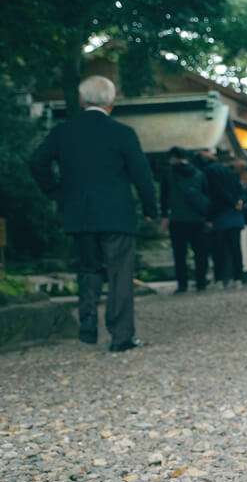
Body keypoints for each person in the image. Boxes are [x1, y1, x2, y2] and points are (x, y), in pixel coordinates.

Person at [29, 75, 157, 352]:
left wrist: (57, 192)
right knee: (119, 274)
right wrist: (151, 210)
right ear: (111, 101)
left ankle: (87, 327)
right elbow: (142, 177)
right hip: (117, 215)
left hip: (80, 214)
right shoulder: (122, 133)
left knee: (87, 270)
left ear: (82, 100)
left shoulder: (64, 132)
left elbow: (37, 162)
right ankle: (120, 336)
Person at [160, 146, 209, 293]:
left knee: (180, 254)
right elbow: (206, 196)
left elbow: (163, 197)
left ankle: (183, 284)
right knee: (200, 252)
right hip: (197, 219)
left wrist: (164, 216)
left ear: (173, 158)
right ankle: (201, 282)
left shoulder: (169, 174)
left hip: (177, 219)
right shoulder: (199, 173)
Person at [204, 154, 245, 289]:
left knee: (219, 249)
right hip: (235, 215)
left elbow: (216, 192)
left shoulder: (210, 172)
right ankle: (238, 278)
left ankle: (220, 279)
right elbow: (240, 191)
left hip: (220, 215)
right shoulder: (231, 173)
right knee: (235, 248)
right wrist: (237, 202)